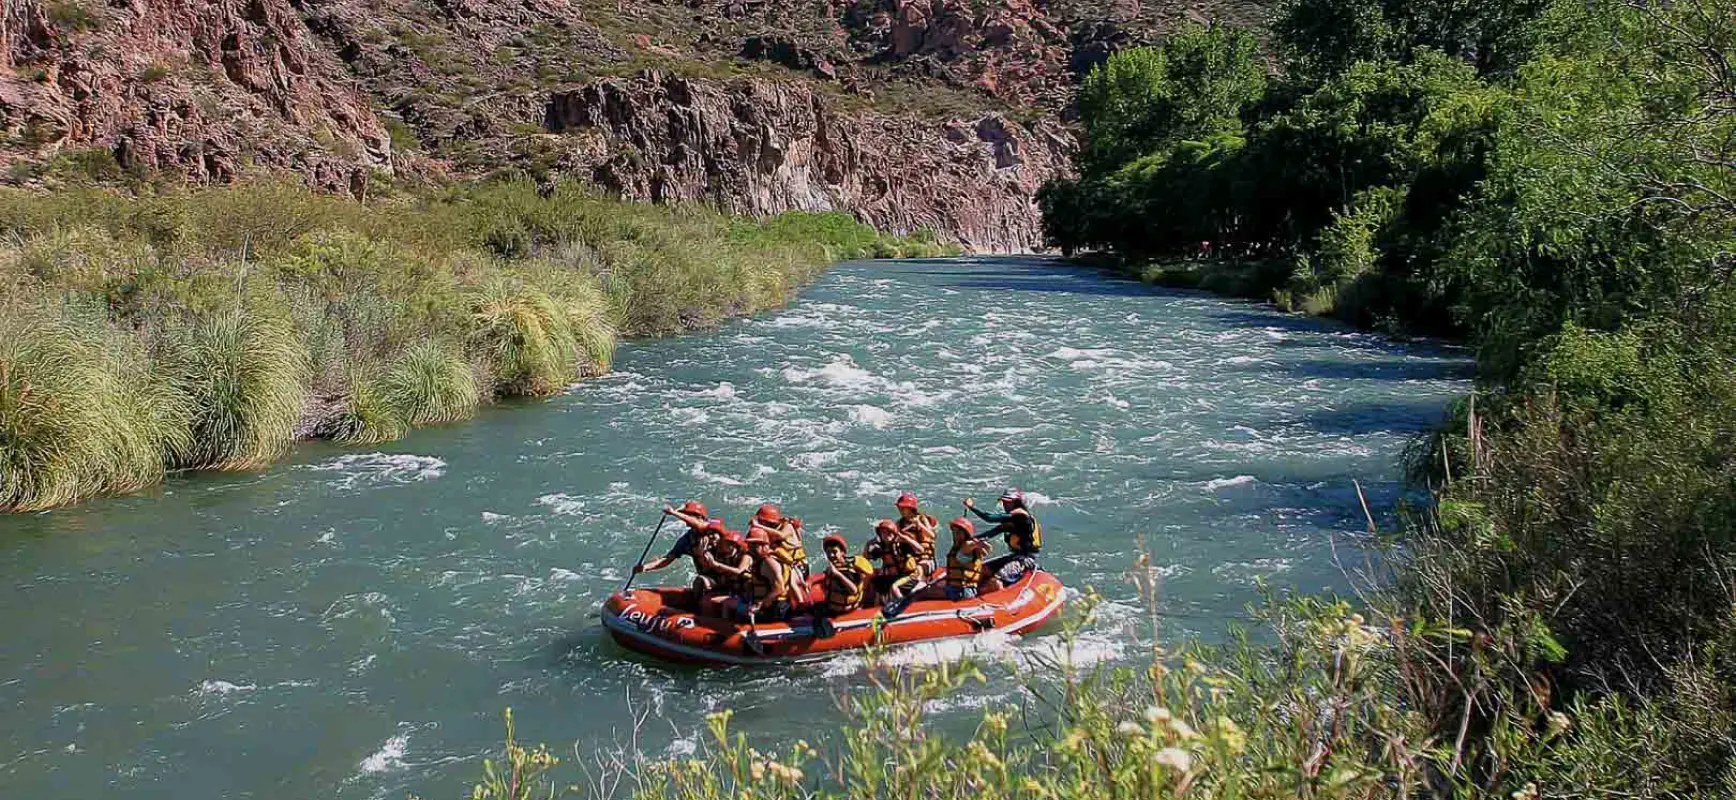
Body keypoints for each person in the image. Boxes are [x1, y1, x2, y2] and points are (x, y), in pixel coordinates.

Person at [964, 488, 1043, 590]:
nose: (1005, 505)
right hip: (1014, 556)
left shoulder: (1021, 517)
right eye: (1004, 502)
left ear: (1016, 502)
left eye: (1008, 502)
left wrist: (971, 507)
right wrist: (970, 540)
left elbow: (989, 518)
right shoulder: (1011, 521)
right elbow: (990, 533)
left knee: (996, 580)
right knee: (983, 569)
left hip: (1025, 559)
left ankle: (998, 598)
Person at [634, 503, 720, 591]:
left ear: (700, 517)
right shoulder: (687, 540)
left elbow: (700, 525)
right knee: (700, 582)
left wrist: (674, 512)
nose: (686, 523)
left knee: (701, 582)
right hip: (707, 578)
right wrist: (645, 567)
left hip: (725, 576)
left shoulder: (713, 530)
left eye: (688, 517)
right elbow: (667, 559)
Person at [917, 518, 992, 601]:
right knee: (936, 585)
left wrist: (978, 544)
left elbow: (968, 547)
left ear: (966, 534)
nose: (955, 534)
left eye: (959, 532)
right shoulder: (962, 547)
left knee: (922, 592)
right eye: (954, 532)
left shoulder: (966, 546)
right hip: (962, 589)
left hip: (961, 592)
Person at [748, 503, 809, 593]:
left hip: (798, 565)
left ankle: (801, 603)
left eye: (761, 521)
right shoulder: (769, 530)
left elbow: (782, 536)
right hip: (785, 563)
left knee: (791, 583)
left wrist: (758, 526)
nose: (760, 522)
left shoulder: (788, 526)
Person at [863, 519, 921, 605]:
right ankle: (875, 607)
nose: (886, 535)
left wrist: (906, 538)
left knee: (894, 587)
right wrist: (868, 544)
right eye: (883, 533)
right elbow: (866, 557)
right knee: (878, 584)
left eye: (889, 533)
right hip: (894, 577)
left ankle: (903, 605)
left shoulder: (902, 546)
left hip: (909, 576)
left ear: (894, 534)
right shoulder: (881, 548)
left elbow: (920, 550)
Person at [739, 532, 793, 622]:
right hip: (774, 606)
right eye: (749, 545)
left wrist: (760, 604)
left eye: (754, 545)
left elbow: (779, 588)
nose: (750, 549)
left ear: (765, 546)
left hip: (777, 608)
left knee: (739, 615)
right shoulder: (764, 560)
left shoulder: (768, 562)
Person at [701, 529, 753, 618]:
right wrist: (705, 553)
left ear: (732, 545)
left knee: (717, 602)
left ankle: (724, 624)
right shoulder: (726, 556)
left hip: (745, 595)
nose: (721, 545)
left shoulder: (745, 557)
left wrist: (717, 565)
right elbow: (717, 570)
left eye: (724, 543)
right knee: (706, 596)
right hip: (732, 590)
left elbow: (739, 571)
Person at [818, 535, 874, 617]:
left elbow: (853, 590)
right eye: (828, 552)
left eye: (834, 552)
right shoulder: (834, 567)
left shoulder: (850, 571)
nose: (831, 555)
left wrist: (838, 574)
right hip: (830, 607)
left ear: (842, 552)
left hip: (843, 612)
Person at [895, 491, 940, 577]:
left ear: (910, 507)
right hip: (909, 561)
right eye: (899, 507)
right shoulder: (899, 523)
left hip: (926, 561)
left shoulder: (922, 519)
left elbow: (932, 535)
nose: (900, 510)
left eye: (902, 507)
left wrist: (919, 524)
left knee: (918, 571)